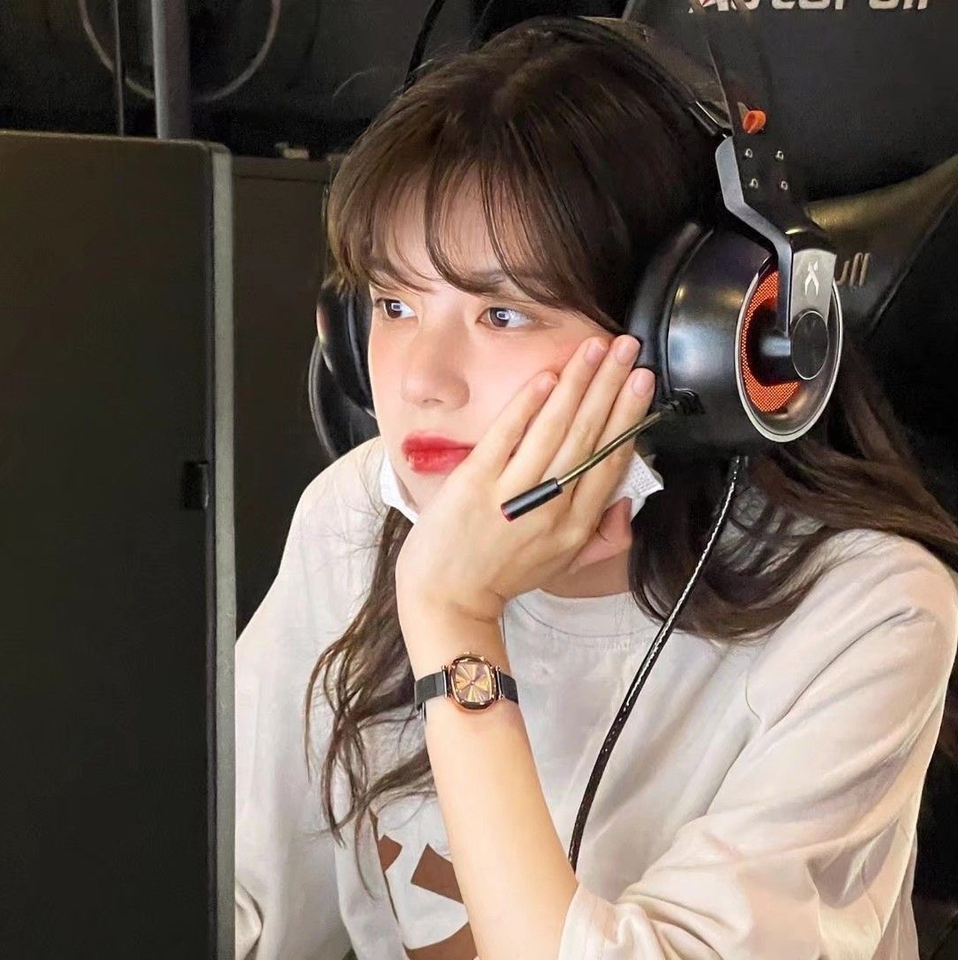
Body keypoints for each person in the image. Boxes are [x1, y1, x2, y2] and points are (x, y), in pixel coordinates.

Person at [234, 16, 958, 960]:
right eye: (395, 304)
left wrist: (454, 625)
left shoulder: (868, 612)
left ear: (686, 338)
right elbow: (236, 907)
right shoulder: (358, 515)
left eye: (502, 313)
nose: (422, 382)